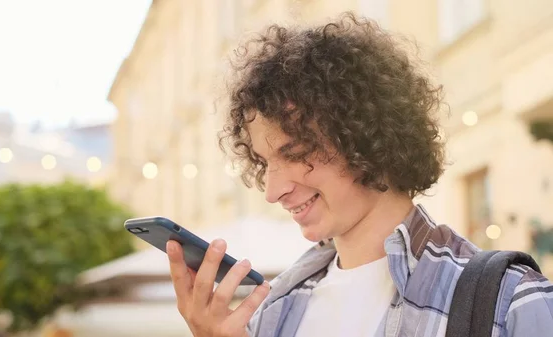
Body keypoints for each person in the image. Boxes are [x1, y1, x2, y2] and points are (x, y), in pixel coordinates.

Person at [166, 11, 553, 337]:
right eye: (265, 162)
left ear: (368, 133)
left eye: (296, 151)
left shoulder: (512, 302)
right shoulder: (272, 312)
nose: (273, 190)